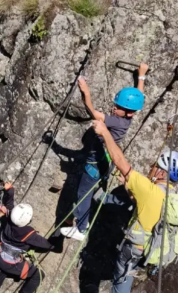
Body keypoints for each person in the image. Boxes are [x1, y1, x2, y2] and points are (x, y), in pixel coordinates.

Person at [92, 119, 178, 293]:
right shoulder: (171, 199)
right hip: (148, 253)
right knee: (124, 281)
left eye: (156, 165)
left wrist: (105, 132)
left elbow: (119, 160)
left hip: (133, 250)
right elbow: (146, 205)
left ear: (162, 172)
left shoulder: (149, 190)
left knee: (120, 287)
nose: (152, 167)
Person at [60, 62, 149, 241]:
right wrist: (141, 75)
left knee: (82, 194)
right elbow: (139, 97)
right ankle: (100, 197)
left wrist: (86, 91)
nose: (114, 108)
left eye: (118, 107)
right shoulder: (128, 116)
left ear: (128, 113)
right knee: (91, 190)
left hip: (94, 164)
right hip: (104, 161)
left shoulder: (116, 121)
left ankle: (81, 228)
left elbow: (92, 111)